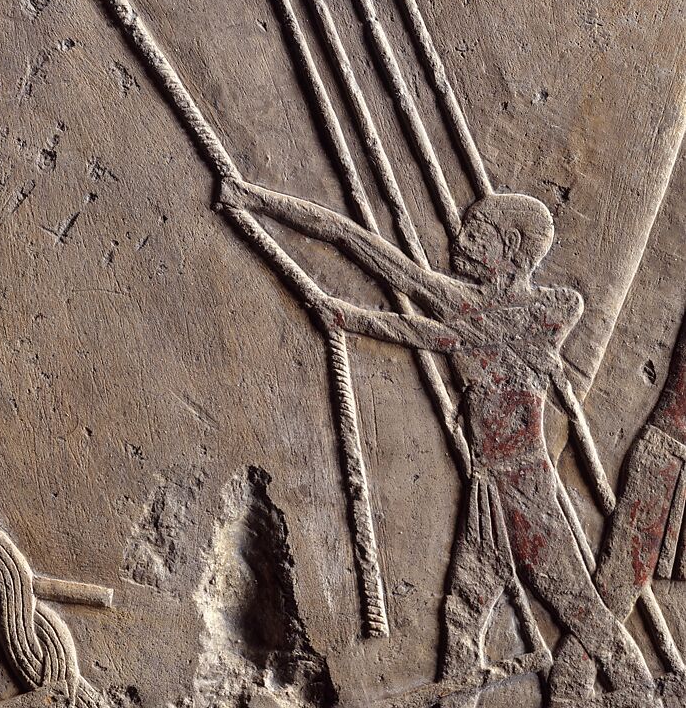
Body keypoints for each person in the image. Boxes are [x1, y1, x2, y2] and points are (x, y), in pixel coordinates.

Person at [218, 177, 662, 707]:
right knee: (462, 616)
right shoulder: (485, 311)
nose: (461, 241)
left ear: (513, 250)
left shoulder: (548, 308)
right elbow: (354, 242)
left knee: (582, 613)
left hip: (526, 494)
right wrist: (258, 198)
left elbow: (453, 327)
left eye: (478, 234)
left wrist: (357, 316)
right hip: (487, 491)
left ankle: (640, 694)